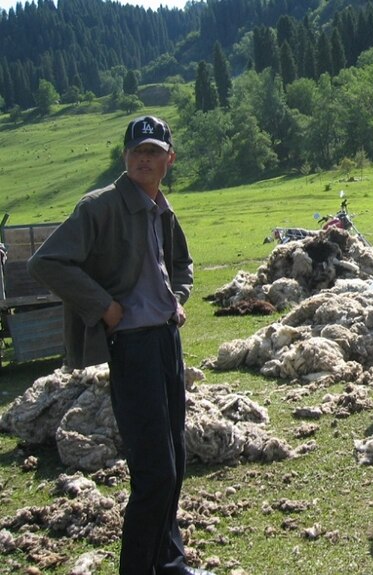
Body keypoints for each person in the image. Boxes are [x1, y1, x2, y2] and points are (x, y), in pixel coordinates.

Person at [28, 116, 210, 575]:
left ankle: (169, 564)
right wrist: (104, 306)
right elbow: (46, 262)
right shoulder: (100, 207)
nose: (144, 159)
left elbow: (182, 264)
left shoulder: (161, 208)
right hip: (131, 347)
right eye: (136, 152)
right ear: (124, 157)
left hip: (166, 341)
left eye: (153, 151)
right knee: (154, 473)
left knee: (175, 462)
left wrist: (178, 300)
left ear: (170, 158)